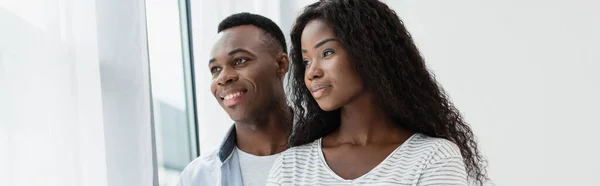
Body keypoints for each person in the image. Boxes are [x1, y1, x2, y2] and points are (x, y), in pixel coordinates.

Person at [267, 0, 488, 185]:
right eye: (306, 61)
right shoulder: (291, 167)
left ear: (367, 52)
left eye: (327, 52)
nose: (312, 72)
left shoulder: (433, 157)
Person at [177, 12, 292, 186]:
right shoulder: (197, 178)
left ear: (281, 65)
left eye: (240, 61)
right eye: (215, 69)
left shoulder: (333, 156)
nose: (223, 78)